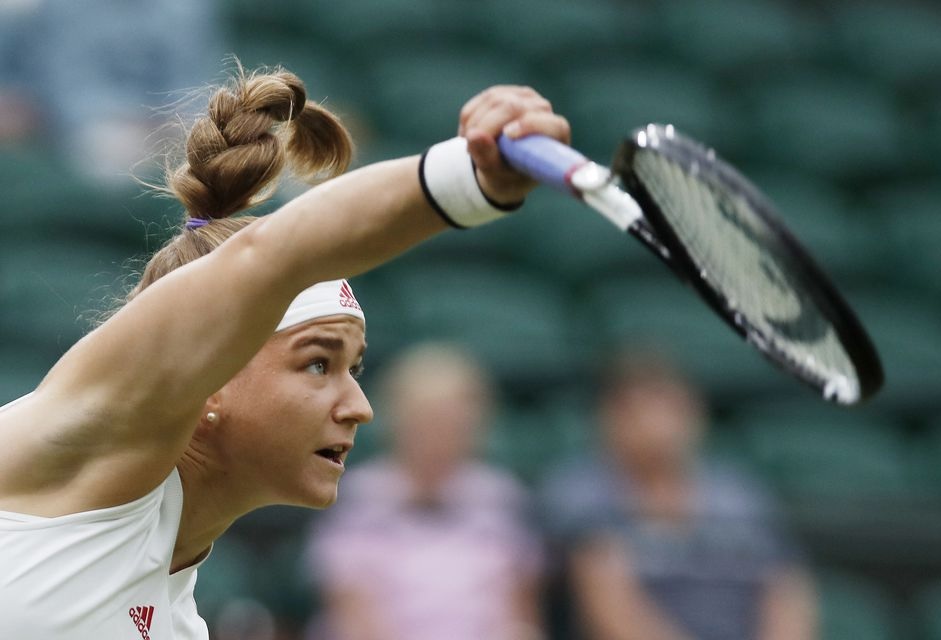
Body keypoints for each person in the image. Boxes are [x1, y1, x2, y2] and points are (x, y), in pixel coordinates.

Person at [0, 60, 570, 638]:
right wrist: (471, 176)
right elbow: (272, 254)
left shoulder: (180, 622)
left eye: (355, 368)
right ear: (210, 373)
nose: (359, 407)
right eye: (318, 363)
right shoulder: (86, 439)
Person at [540, 350, 817, 640]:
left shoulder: (739, 494)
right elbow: (613, 614)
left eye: (671, 405)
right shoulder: (581, 492)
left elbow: (787, 589)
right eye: (642, 407)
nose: (660, 422)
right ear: (610, 418)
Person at [307, 342, 544, 640]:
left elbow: (519, 616)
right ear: (399, 423)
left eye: (452, 423)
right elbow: (355, 617)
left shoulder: (502, 496)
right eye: (427, 422)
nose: (439, 435)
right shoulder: (357, 495)